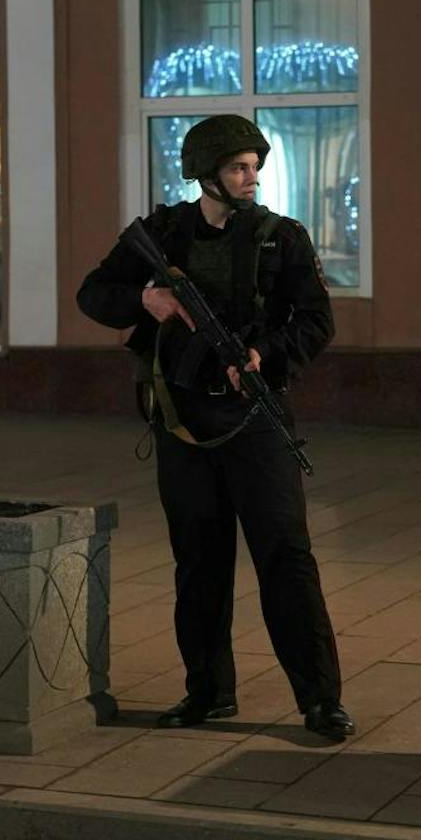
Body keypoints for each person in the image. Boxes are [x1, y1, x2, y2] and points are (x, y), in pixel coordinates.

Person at [76, 114, 354, 742]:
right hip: (183, 427)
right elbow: (93, 293)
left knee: (286, 559)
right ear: (207, 174)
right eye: (238, 168)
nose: (251, 178)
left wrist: (265, 356)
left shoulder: (281, 238)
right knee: (198, 565)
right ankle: (207, 692)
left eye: (256, 167)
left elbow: (316, 322)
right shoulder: (162, 233)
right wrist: (146, 300)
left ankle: (320, 699)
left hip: (256, 422)